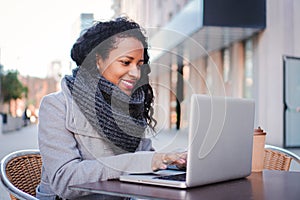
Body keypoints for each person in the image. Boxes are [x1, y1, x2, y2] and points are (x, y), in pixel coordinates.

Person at [36, 17, 187, 200]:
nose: (135, 73)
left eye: (139, 64)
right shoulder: (57, 106)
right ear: (98, 60)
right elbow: (65, 181)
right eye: (125, 62)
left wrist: (174, 162)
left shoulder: (131, 106)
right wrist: (148, 161)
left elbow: (146, 159)